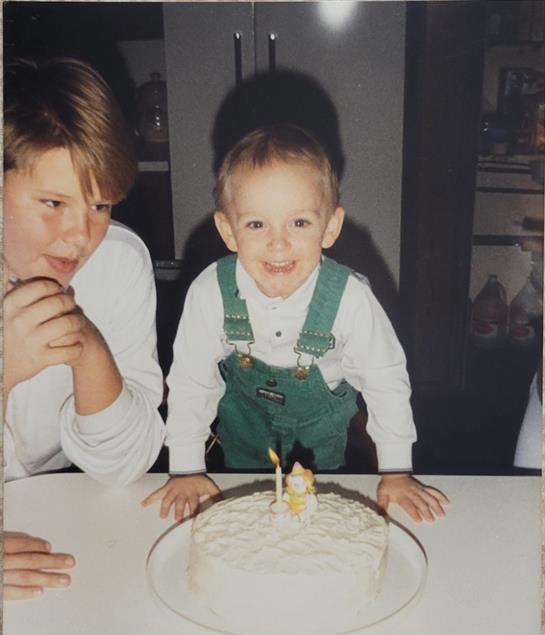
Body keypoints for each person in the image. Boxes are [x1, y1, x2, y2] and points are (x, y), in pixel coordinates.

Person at [142, 124, 448, 523]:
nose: (279, 243)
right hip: (240, 450)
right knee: (246, 527)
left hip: (321, 455)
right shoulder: (210, 292)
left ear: (331, 227)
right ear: (228, 231)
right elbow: (191, 382)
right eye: (256, 224)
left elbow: (385, 381)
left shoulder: (351, 299)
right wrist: (185, 467)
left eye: (299, 223)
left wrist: (396, 470)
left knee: (314, 529)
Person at [3, 57, 166, 599]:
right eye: (52, 203)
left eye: (100, 205)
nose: (80, 238)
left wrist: (89, 349)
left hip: (58, 516)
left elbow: (124, 466)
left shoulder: (118, 262)